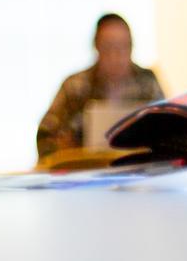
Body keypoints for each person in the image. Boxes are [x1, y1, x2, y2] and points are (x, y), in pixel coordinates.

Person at [36, 14, 164, 158]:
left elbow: (168, 130)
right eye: (109, 47)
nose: (116, 56)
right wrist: (66, 150)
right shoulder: (75, 86)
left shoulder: (148, 83)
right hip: (84, 172)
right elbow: (45, 135)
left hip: (138, 171)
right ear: (96, 47)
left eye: (124, 47)